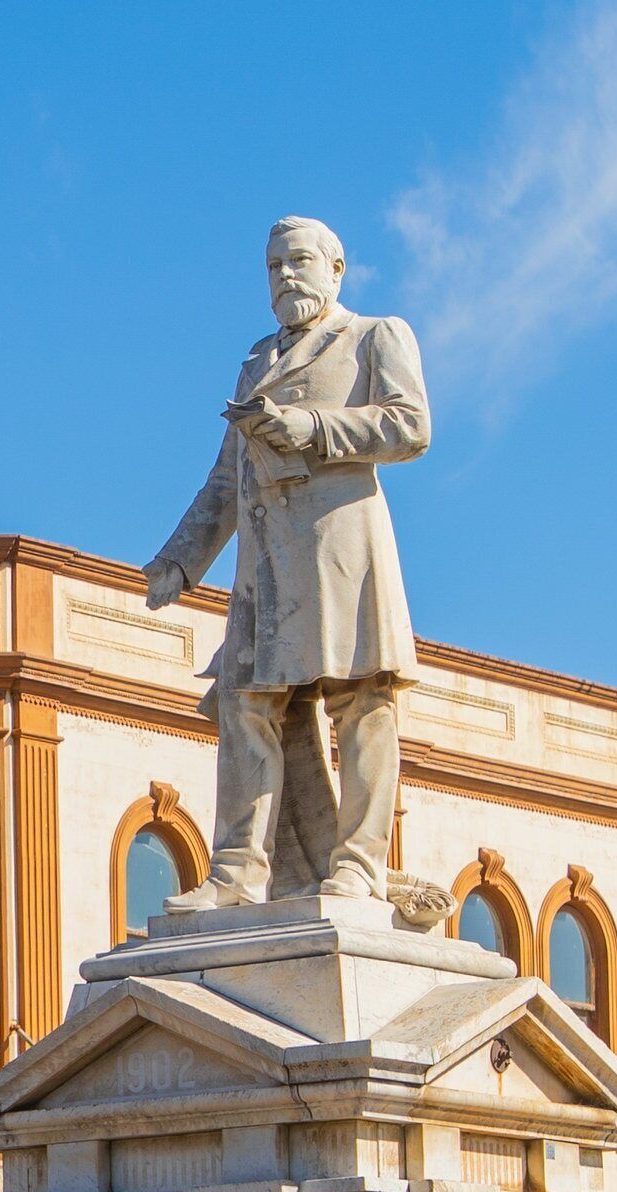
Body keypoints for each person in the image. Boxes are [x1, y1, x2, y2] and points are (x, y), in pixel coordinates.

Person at [142, 216, 432, 910]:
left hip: (342, 550)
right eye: (273, 266)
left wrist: (315, 430)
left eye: (299, 261)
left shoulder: (373, 335)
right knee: (246, 705)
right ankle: (237, 873)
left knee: (363, 704)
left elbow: (411, 425)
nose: (285, 277)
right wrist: (181, 562)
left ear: (336, 269)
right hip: (266, 567)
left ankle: (359, 864)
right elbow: (226, 477)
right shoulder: (256, 362)